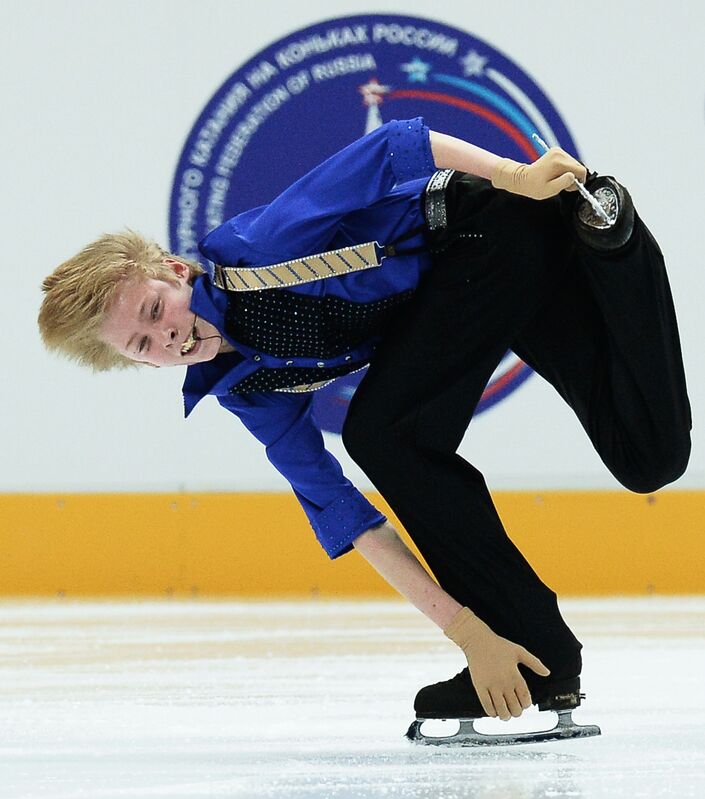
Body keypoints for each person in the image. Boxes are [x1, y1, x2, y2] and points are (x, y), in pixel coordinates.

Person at [38, 118, 691, 744]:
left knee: (384, 434)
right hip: (485, 282)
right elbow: (347, 516)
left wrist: (512, 177)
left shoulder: (254, 254)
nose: (167, 337)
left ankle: (543, 657)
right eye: (142, 344)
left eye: (156, 310)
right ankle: (613, 240)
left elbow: (390, 146)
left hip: (483, 227)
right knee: (649, 460)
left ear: (176, 272)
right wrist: (468, 634)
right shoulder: (244, 389)